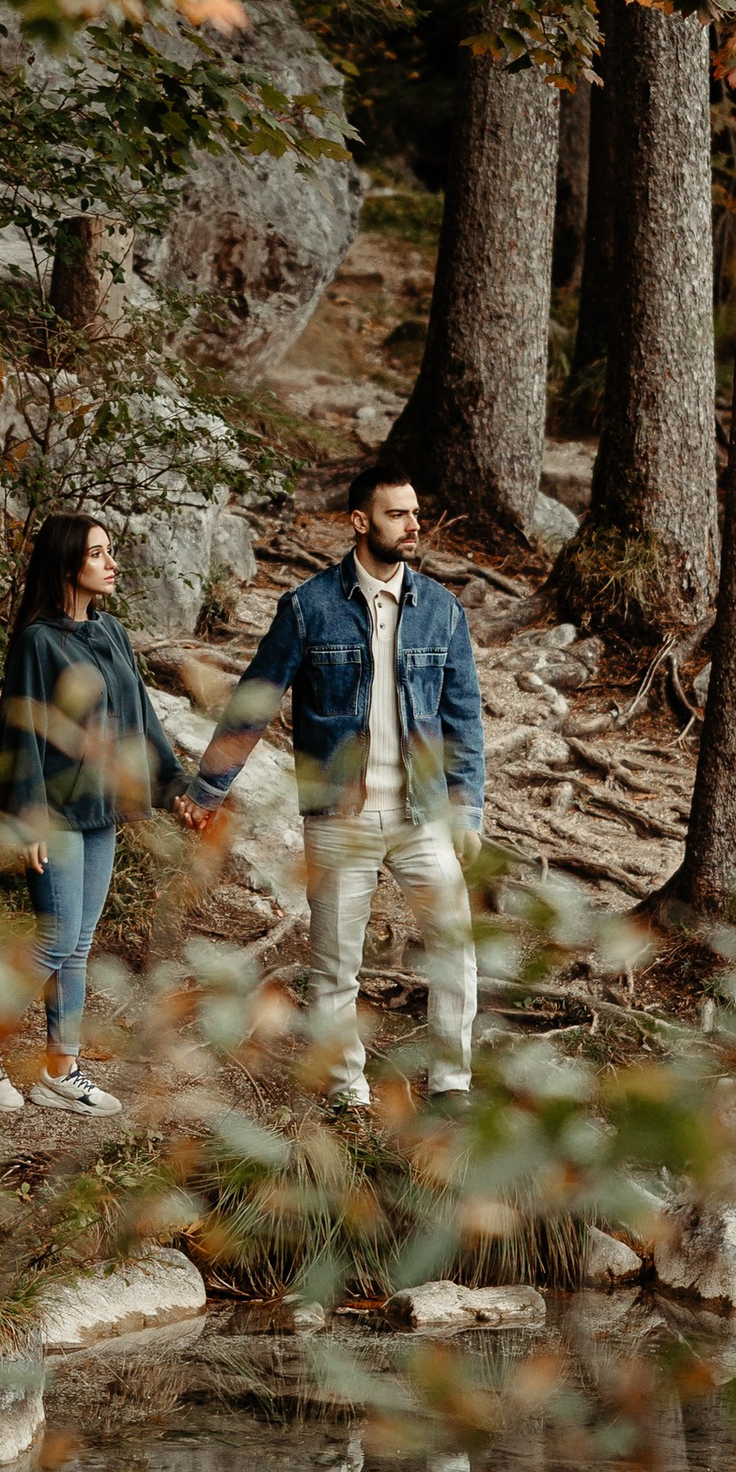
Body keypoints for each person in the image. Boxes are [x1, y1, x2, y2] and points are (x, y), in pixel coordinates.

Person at [179, 467, 483, 1108]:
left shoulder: (441, 611)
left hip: (422, 815)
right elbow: (253, 704)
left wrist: (468, 808)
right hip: (340, 818)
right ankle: (346, 1091)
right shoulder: (308, 608)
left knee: (455, 949)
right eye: (398, 514)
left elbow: (463, 718)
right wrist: (207, 791)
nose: (413, 525)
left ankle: (452, 1084)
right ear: (360, 521)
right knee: (334, 964)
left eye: (416, 512)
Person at [0, 508, 184, 1120]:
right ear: (67, 562)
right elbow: (18, 731)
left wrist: (173, 786)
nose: (112, 563)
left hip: (102, 810)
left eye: (110, 551)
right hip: (57, 816)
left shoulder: (113, 633)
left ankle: (59, 1069)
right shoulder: (37, 642)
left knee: (77, 946)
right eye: (99, 553)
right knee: (54, 942)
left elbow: (142, 723)